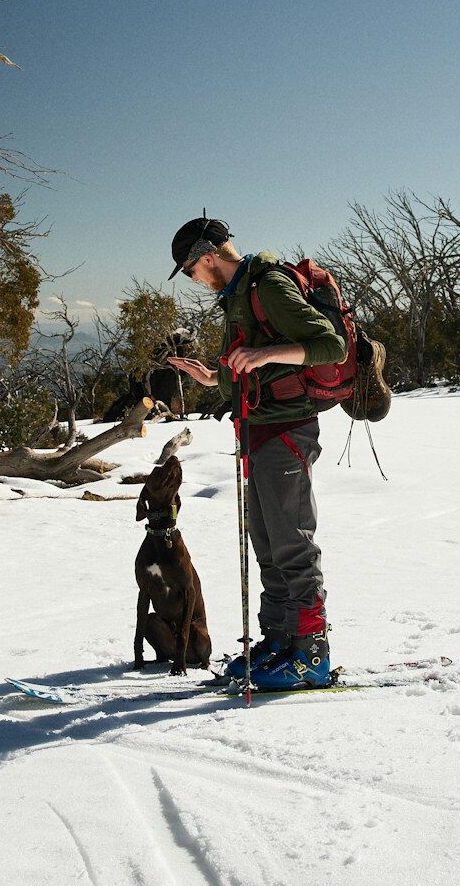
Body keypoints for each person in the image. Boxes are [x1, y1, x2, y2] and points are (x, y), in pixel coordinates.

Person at [165, 216, 345, 690]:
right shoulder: (239, 294)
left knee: (292, 543)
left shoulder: (267, 288)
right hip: (259, 431)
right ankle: (281, 640)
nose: (193, 280)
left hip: (288, 430)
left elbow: (332, 346)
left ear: (205, 257)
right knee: (267, 542)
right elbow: (246, 367)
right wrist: (210, 377)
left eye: (189, 270)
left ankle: (311, 654)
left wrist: (267, 356)